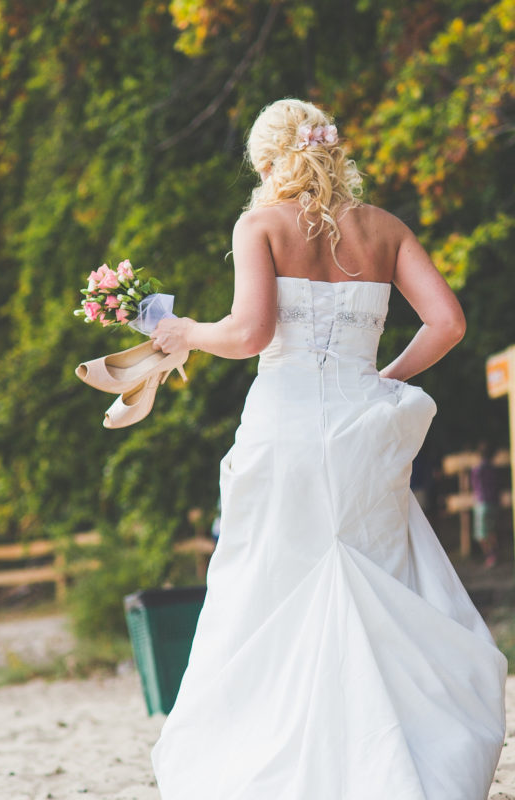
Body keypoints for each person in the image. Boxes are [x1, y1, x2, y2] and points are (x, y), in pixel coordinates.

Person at [146, 98, 505, 798]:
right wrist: (381, 379)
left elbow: (249, 334)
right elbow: (449, 322)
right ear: (332, 152)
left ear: (267, 163)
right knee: (376, 586)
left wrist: (186, 331)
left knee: (269, 591)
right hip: (363, 436)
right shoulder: (386, 229)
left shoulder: (259, 225)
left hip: (283, 436)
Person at [472, 440, 501, 569]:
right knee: (491, 530)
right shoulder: (494, 470)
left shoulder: (477, 470)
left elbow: (474, 486)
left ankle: (489, 555)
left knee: (481, 533)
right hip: (493, 502)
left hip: (482, 503)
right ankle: (494, 554)